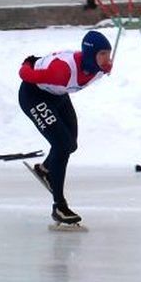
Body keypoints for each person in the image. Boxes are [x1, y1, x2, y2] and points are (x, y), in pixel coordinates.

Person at [18, 30, 112, 226]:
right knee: (62, 145)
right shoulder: (63, 70)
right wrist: (28, 62)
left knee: (71, 145)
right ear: (90, 54)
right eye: (102, 54)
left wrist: (104, 62)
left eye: (108, 53)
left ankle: (45, 170)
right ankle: (59, 206)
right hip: (33, 95)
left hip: (58, 95)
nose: (107, 59)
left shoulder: (103, 68)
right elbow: (25, 75)